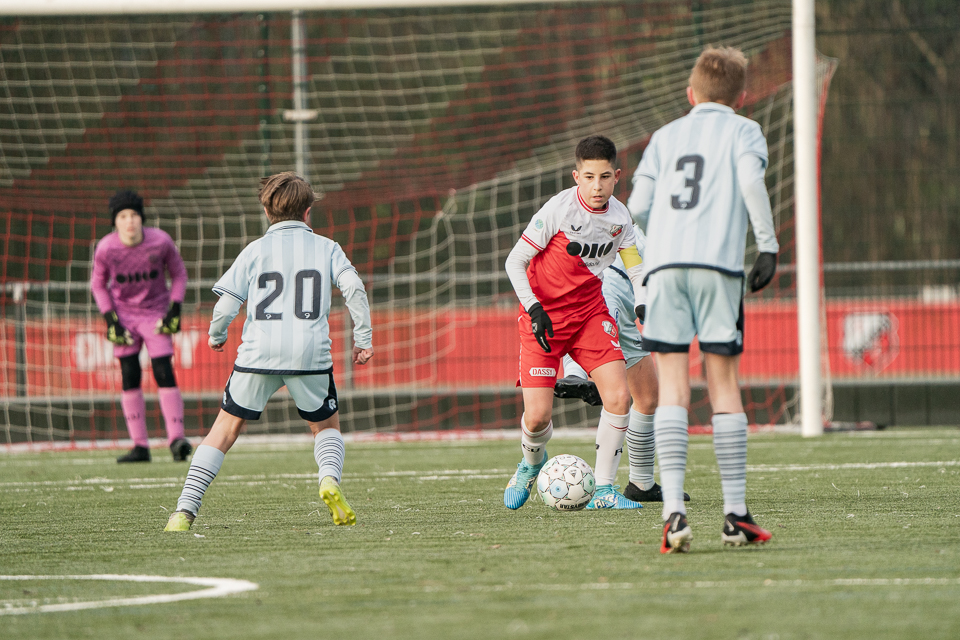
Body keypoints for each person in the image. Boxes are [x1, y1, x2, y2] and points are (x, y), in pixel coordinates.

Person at [628, 46, 779, 553]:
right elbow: (751, 183)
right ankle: (735, 515)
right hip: (718, 267)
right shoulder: (744, 130)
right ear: (742, 97)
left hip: (665, 269)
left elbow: (639, 206)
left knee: (673, 385)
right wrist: (768, 245)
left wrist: (660, 248)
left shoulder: (665, 136)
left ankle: (674, 514)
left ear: (690, 94)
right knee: (722, 382)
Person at [164, 172, 373, 532]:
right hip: (310, 353)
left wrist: (217, 335)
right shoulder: (327, 247)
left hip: (258, 353)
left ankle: (184, 511)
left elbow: (226, 304)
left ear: (266, 210)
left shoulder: (255, 250)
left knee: (225, 430)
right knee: (325, 429)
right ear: (308, 212)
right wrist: (363, 338)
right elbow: (354, 287)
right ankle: (328, 481)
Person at [503, 135, 647, 511]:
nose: (596, 186)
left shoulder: (620, 218)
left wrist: (644, 301)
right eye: (588, 177)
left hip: (589, 316)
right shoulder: (558, 210)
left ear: (617, 176)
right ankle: (530, 464)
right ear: (575, 176)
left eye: (604, 177)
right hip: (544, 321)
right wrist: (533, 307)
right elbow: (514, 261)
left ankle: (603, 490)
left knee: (619, 397)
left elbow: (634, 265)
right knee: (536, 418)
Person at [554, 225, 690, 505]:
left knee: (648, 395)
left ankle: (641, 483)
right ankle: (577, 375)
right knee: (599, 331)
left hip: (631, 300)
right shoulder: (647, 230)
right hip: (609, 283)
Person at [91, 190, 192, 463]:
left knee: (163, 370)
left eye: (134, 215)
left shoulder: (160, 241)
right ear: (115, 221)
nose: (130, 221)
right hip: (123, 317)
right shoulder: (106, 248)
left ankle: (177, 440)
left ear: (142, 218)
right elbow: (98, 285)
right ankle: (140, 446)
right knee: (129, 374)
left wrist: (175, 309)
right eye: (123, 216)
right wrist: (110, 319)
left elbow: (179, 274)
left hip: (155, 314)